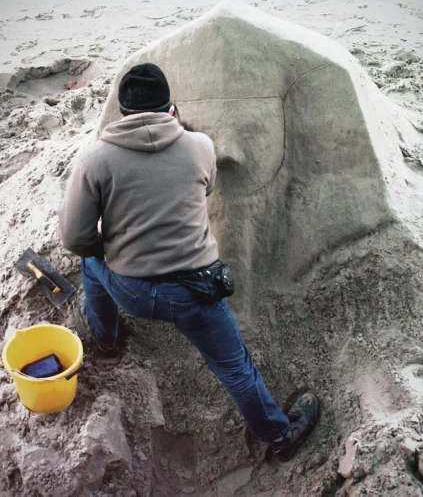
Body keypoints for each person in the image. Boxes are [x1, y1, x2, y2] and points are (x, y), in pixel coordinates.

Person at [58, 63, 319, 460]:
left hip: (132, 290)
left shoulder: (95, 158)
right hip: (196, 293)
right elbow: (209, 185)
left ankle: (108, 341)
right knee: (235, 368)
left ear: (122, 113)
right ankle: (279, 437)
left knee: (92, 265)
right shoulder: (199, 146)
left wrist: (109, 246)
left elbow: (75, 238)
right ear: (171, 110)